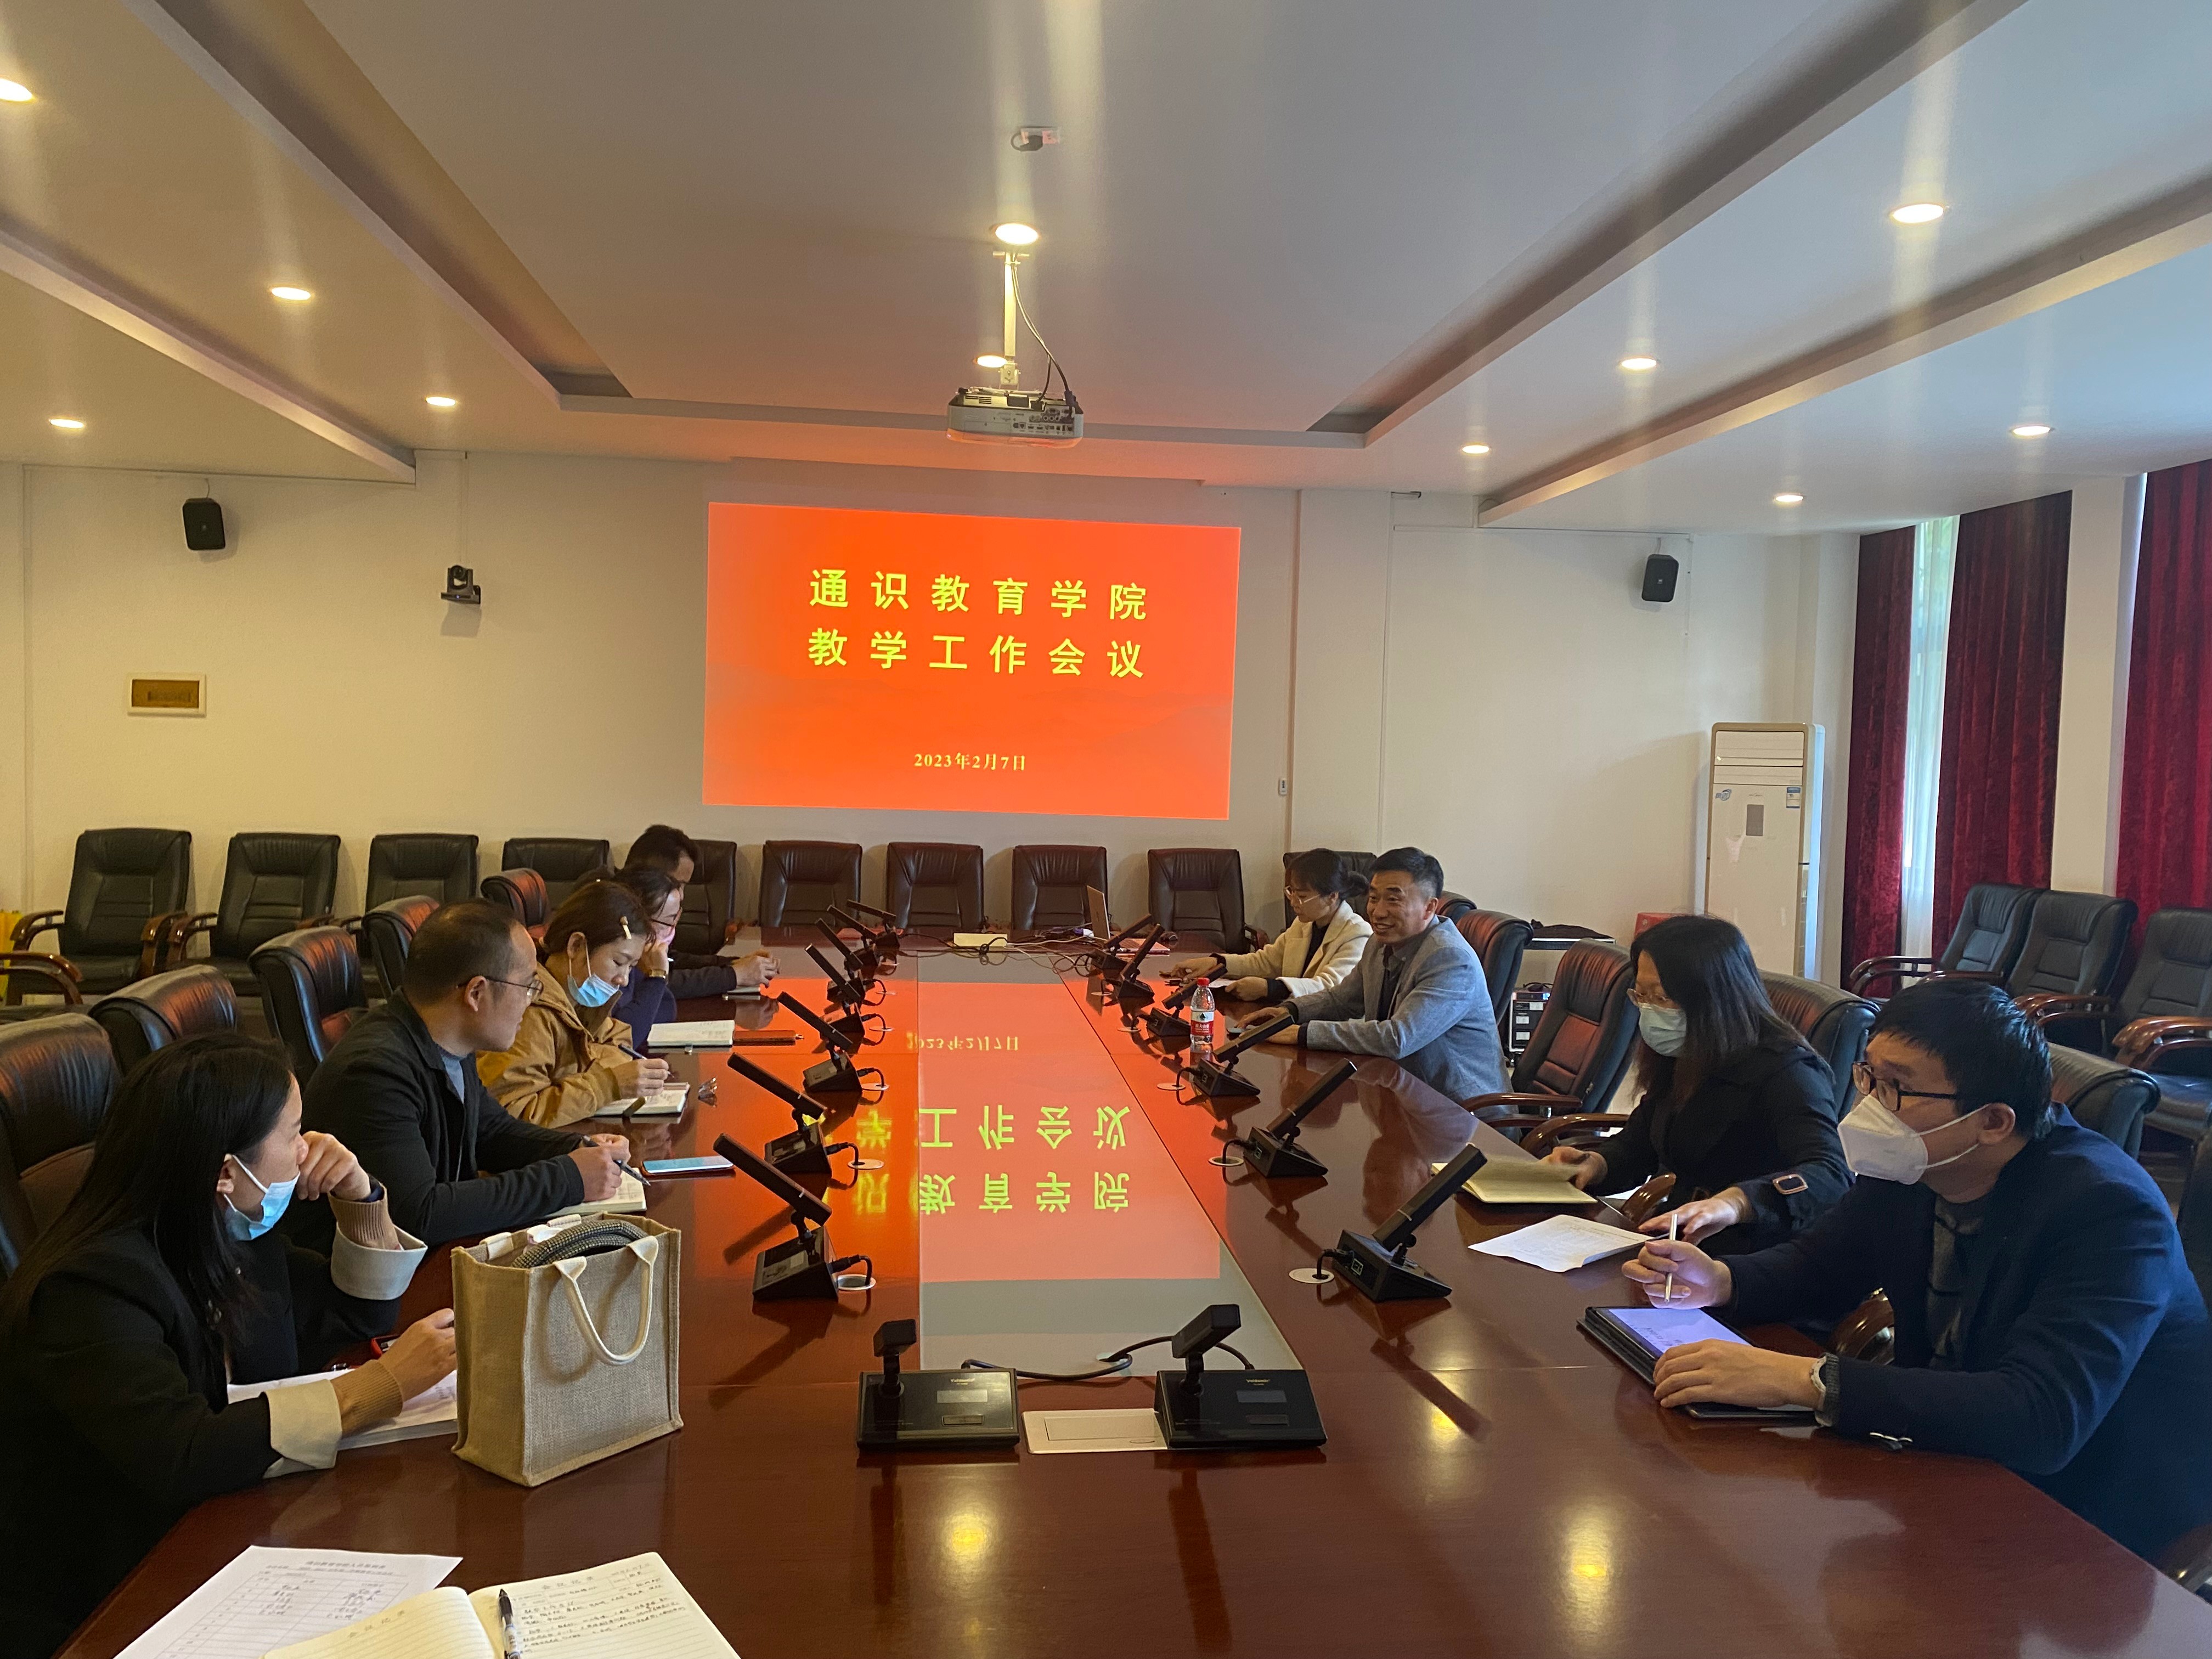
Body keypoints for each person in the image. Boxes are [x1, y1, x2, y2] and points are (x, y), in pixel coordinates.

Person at [1624, 979, 2212, 1560]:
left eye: (1897, 1088)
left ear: (1993, 1121)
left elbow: (2042, 1416)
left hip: (2094, 1522)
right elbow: (1819, 1266)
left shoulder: (2108, 1211)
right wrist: (1723, 1281)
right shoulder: (1913, 1165)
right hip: (1951, 1461)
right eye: (1870, 1077)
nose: (1871, 1107)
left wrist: (1805, 1380)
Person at [0, 1035, 457, 1658]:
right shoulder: (91, 1288)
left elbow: (355, 1316)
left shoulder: (220, 1233)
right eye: (293, 1134)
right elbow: (180, 1452)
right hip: (104, 1594)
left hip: (218, 1528)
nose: (310, 1149)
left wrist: (360, 1196)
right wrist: (382, 1387)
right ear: (225, 1172)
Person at [301, 899, 625, 1245]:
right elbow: (420, 1215)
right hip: (367, 1272)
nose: (531, 1000)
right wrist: (568, 1179)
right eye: (528, 987)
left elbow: (490, 1133)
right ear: (476, 993)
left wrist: (578, 1147)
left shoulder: (448, 1038)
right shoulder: (375, 1075)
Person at [1544, 914, 1846, 1254]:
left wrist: (1739, 1202)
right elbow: (1638, 1146)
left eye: (1661, 998)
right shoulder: (1687, 1052)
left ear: (1712, 999)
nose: (1648, 1010)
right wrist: (1596, 1164)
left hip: (1753, 1256)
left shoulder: (1788, 1071)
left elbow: (1830, 1173)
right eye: (1641, 995)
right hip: (1678, 1244)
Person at [1268, 847, 1505, 1103]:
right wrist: (1290, 1011)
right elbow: (1342, 1000)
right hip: (1402, 1092)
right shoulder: (1378, 943)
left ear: (1429, 908)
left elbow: (1397, 1038)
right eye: (1373, 898)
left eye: (1393, 900)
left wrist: (1303, 1034)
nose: (1378, 912)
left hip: (1462, 1110)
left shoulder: (1450, 959)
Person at [479, 879, 669, 1128]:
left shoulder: (577, 995)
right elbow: (514, 1114)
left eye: (631, 967)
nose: (623, 979)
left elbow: (619, 1040)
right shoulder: (527, 1011)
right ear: (576, 946)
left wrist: (582, 1080)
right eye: (618, 962)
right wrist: (608, 1084)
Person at [1176, 847, 1372, 1003]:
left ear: (1332, 896)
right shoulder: (1304, 923)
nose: (1293, 902)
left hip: (1326, 1028)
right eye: (1291, 893)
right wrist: (1217, 963)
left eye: (1302, 896)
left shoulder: (1357, 934)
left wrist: (1268, 989)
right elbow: (1266, 962)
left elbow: (1331, 988)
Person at [623, 824, 773, 995]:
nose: (682, 896)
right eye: (677, 884)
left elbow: (670, 960)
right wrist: (734, 975)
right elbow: (653, 982)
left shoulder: (637, 905)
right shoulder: (612, 914)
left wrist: (730, 964)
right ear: (648, 876)